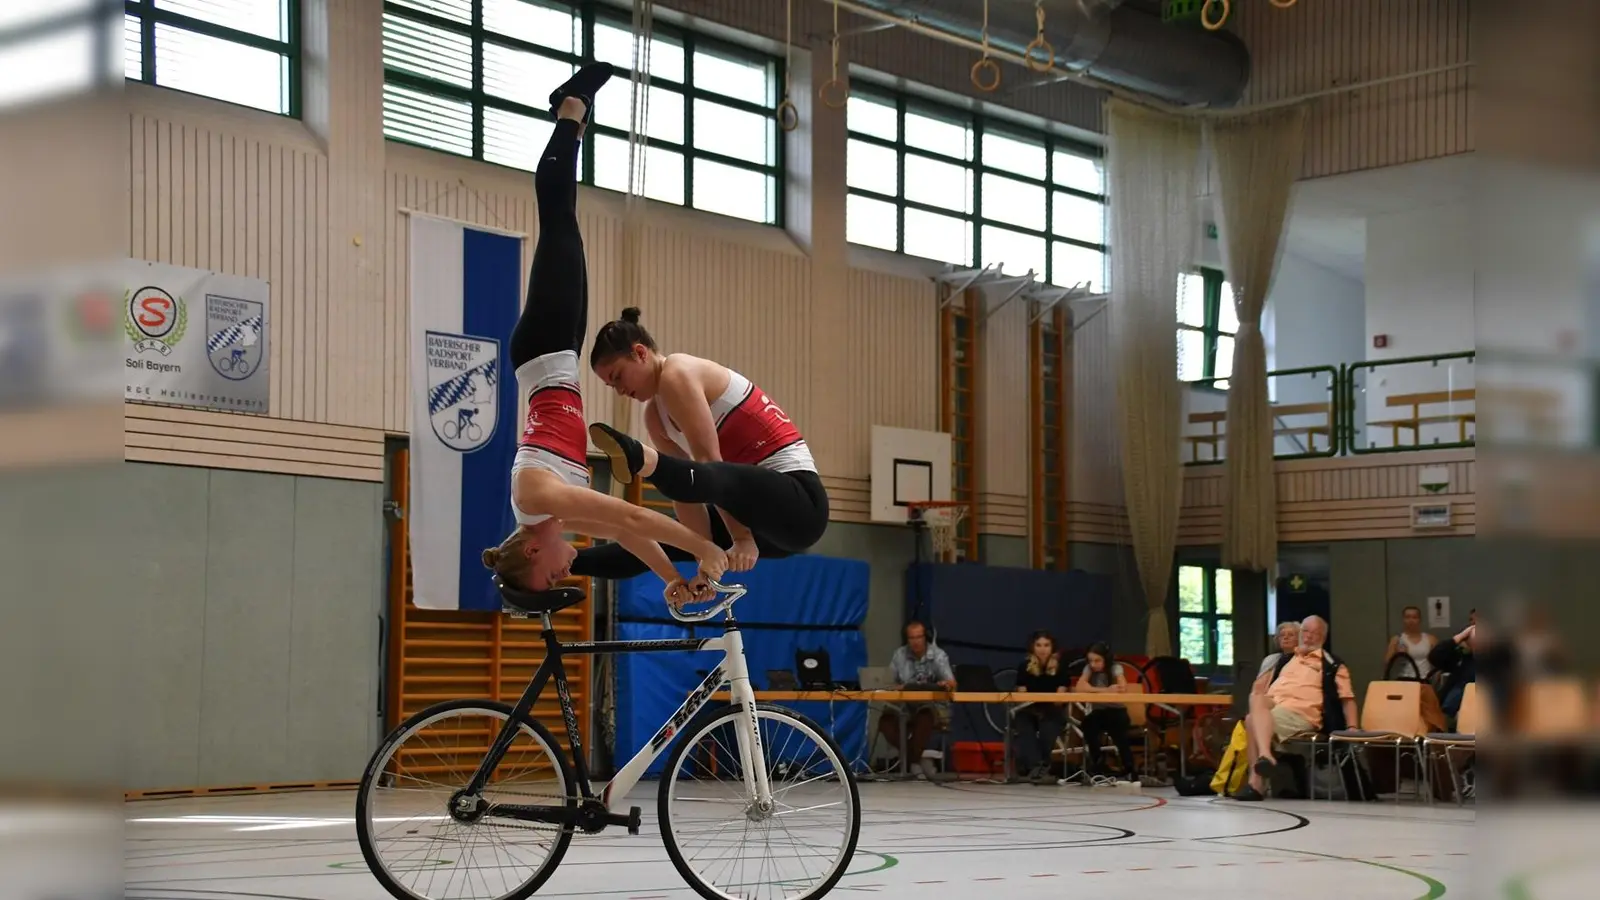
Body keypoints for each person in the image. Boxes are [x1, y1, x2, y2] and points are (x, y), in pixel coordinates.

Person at [480, 64, 726, 601]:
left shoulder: (535, 494)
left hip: (543, 353)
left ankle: (570, 110)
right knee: (565, 226)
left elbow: (627, 512)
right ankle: (573, 122)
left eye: (550, 577)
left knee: (559, 219)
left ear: (531, 551)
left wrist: (703, 547)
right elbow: (627, 531)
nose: (564, 576)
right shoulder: (555, 511)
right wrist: (677, 580)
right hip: (557, 355)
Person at [572, 308, 827, 578]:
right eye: (612, 387)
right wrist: (703, 558)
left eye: (618, 377)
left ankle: (641, 457)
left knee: (708, 474)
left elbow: (710, 462)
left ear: (640, 353)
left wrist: (740, 538)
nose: (620, 391)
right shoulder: (655, 418)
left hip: (799, 503)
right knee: (665, 536)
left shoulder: (678, 373)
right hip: (762, 523)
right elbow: (685, 497)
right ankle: (565, 564)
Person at [1233, 616, 1356, 801]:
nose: (1308, 636)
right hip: (1274, 706)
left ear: (1323, 636)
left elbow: (1347, 699)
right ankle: (1265, 756)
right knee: (1256, 697)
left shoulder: (1332, 664)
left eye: (1314, 633)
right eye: (1305, 631)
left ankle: (1255, 783)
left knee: (1251, 720)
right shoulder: (1286, 659)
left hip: (1300, 714)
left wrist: (1353, 727)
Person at [879, 621, 955, 780]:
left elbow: (952, 683)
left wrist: (943, 684)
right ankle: (916, 759)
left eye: (919, 637)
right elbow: (888, 682)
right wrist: (895, 687)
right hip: (904, 706)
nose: (915, 641)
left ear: (925, 637)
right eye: (911, 638)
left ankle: (912, 762)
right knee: (885, 721)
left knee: (925, 716)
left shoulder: (938, 655)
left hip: (931, 706)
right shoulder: (899, 654)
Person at [1075, 642, 1139, 783]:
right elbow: (1080, 687)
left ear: (1106, 659)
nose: (1093, 664)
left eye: (1097, 660)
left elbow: (1122, 687)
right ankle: (1098, 764)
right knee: (1088, 724)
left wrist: (1093, 688)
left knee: (1119, 732)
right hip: (1100, 711)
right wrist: (1104, 690)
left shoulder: (1115, 668)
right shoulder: (1089, 669)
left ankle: (1129, 768)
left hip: (1117, 711)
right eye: (1091, 660)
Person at [1010, 631, 1067, 784]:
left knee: (1048, 725)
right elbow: (1022, 696)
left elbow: (1060, 698)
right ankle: (1038, 766)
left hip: (1052, 709)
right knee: (1022, 722)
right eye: (1039, 645)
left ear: (1052, 648)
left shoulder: (1061, 667)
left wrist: (1045, 700)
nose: (1042, 649)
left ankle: (1040, 768)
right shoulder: (1024, 667)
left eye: (1046, 645)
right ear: (1032, 647)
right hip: (1029, 708)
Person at [1384, 605, 1437, 680]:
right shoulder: (1396, 639)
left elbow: (1439, 663)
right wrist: (1397, 654)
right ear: (1403, 619)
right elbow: (1387, 664)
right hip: (1404, 680)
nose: (1411, 620)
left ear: (1419, 620)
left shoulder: (1430, 639)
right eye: (1407, 617)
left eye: (1414, 617)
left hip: (1425, 680)